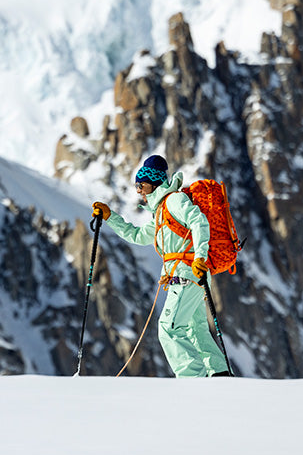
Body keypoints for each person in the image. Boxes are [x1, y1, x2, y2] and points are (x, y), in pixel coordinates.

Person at [91, 155, 230, 378]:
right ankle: (219, 374)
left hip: (188, 272)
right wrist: (110, 217)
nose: (138, 191)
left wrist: (200, 258)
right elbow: (137, 235)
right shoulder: (161, 212)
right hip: (190, 273)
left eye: (141, 185)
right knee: (196, 330)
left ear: (153, 183)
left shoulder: (174, 201)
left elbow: (199, 221)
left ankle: (193, 381)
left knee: (169, 328)